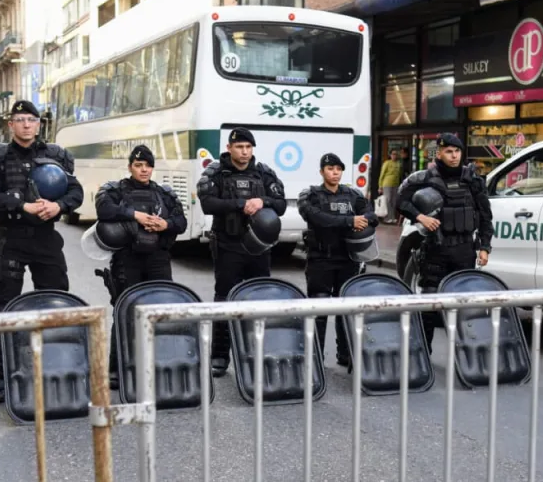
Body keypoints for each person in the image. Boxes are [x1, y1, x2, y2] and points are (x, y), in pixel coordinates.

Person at [0, 99, 85, 404]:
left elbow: (75, 192)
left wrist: (58, 206)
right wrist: (21, 205)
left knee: (56, 302)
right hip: (11, 238)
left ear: (39, 125)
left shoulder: (56, 156)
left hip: (45, 239)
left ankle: (57, 367)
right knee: (4, 307)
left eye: (31, 120)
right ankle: (0, 377)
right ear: (10, 125)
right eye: (20, 119)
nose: (26, 124)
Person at [95, 145, 188, 389]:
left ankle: (159, 362)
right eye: (138, 165)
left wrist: (164, 224)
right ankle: (116, 369)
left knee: (162, 310)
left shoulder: (164, 194)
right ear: (130, 167)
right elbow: (103, 209)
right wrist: (134, 215)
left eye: (147, 165)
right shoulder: (115, 190)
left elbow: (182, 221)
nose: (143, 169)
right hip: (128, 258)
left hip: (158, 259)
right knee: (125, 311)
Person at [198, 127, 287, 377]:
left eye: (248, 147)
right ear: (229, 148)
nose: (244, 152)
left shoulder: (264, 173)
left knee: (260, 299)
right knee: (224, 300)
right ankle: (219, 355)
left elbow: (280, 204)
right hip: (228, 246)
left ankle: (257, 353)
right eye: (239, 147)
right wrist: (240, 204)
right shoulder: (216, 172)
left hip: (259, 247)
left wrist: (263, 202)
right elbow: (207, 204)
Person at [397, 134, 493, 351]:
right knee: (429, 305)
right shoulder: (425, 177)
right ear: (439, 153)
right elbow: (401, 201)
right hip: (436, 250)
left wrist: (485, 247)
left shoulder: (473, 180)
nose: (453, 156)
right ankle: (422, 354)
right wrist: (420, 217)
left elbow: (486, 216)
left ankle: (466, 357)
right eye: (449, 151)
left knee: (464, 308)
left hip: (465, 250)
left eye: (457, 151)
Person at [298, 153, 378, 366]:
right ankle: (316, 357)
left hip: (347, 259)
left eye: (338, 169)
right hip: (321, 259)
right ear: (322, 171)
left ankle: (345, 354)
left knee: (346, 308)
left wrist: (363, 219)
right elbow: (317, 219)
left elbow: (372, 215)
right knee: (319, 308)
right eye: (330, 169)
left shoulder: (352, 195)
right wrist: (349, 220)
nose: (335, 173)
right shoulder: (310, 195)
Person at [377, 149, 401, 225]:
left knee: (394, 201)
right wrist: (380, 186)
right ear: (390, 155)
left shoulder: (398, 163)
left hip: (395, 184)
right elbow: (382, 174)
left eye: (396, 154)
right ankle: (387, 218)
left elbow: (399, 175)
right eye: (393, 154)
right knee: (388, 200)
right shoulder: (387, 163)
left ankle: (392, 217)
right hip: (387, 184)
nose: (394, 155)